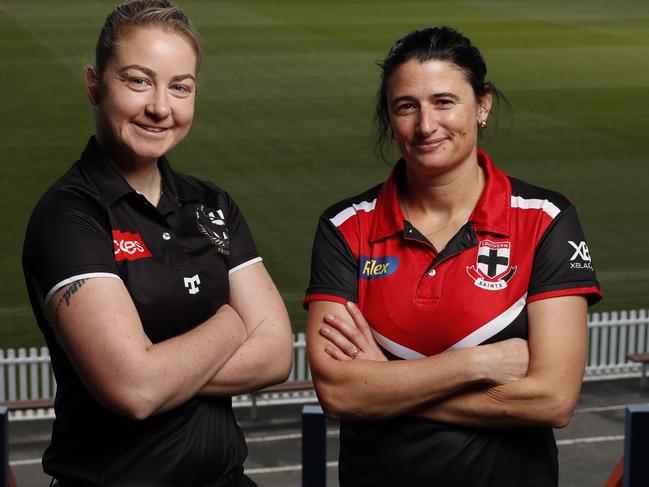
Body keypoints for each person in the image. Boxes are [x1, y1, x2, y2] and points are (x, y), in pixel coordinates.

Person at [304, 26, 602, 487]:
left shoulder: (545, 219)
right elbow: (340, 394)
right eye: (407, 106)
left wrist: (387, 385)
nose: (426, 126)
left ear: (482, 105)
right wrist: (475, 365)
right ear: (390, 115)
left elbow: (552, 400)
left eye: (445, 102)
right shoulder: (346, 227)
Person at [22, 1, 293, 485]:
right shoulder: (69, 216)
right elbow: (133, 389)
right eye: (138, 80)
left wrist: (157, 367)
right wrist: (233, 322)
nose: (160, 107)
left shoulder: (213, 204)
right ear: (93, 83)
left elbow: (276, 354)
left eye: (180, 87)